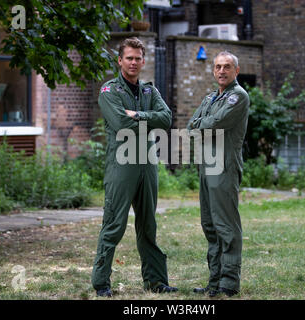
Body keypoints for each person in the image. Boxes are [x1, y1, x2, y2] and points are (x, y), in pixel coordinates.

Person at [92, 37, 177, 297]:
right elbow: (120, 124)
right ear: (119, 60)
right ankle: (101, 282)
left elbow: (167, 119)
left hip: (147, 165)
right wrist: (144, 120)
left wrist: (139, 115)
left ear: (143, 61)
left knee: (148, 226)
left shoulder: (150, 91)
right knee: (114, 224)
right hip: (122, 167)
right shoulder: (109, 91)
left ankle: (156, 281)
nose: (133, 62)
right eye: (128, 57)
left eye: (138, 58)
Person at [187, 51, 250, 297]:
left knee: (226, 226)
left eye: (226, 67)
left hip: (223, 167)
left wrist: (203, 122)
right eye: (217, 67)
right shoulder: (212, 97)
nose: (221, 71)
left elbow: (214, 124)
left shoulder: (239, 96)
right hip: (205, 166)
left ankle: (229, 282)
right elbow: (192, 125)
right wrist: (203, 122)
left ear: (236, 70)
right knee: (210, 225)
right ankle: (214, 281)